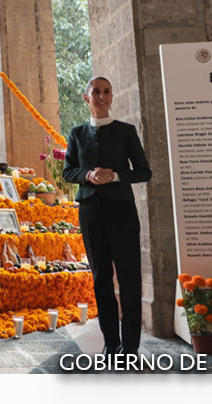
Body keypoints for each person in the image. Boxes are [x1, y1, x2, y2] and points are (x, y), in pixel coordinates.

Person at [62, 76, 151, 357]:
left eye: (107, 92)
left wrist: (115, 175)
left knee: (129, 277)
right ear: (86, 98)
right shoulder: (77, 133)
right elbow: (68, 171)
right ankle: (110, 343)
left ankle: (131, 346)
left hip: (121, 210)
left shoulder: (126, 131)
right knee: (101, 278)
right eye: (96, 91)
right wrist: (87, 174)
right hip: (90, 212)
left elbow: (144, 171)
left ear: (111, 98)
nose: (102, 96)